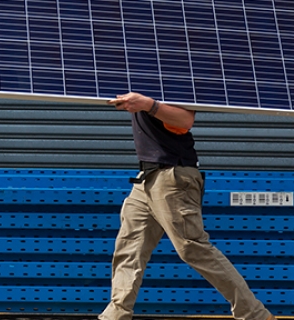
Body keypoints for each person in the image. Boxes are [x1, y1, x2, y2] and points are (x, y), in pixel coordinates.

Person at [104, 91, 276, 320]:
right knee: (129, 248)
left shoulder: (176, 76)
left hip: (173, 176)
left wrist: (148, 104)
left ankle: (255, 315)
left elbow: (185, 120)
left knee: (192, 247)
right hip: (147, 176)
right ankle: (116, 315)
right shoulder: (140, 74)